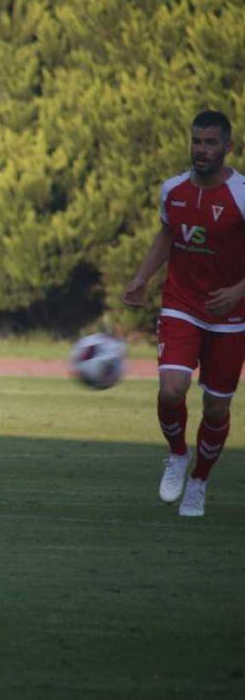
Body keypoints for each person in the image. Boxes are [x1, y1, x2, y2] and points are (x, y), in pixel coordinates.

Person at [123, 110, 245, 517]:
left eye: (211, 142)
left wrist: (238, 292)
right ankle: (177, 454)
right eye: (196, 141)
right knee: (171, 389)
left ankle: (199, 481)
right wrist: (141, 277)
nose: (202, 149)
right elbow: (167, 234)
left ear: (228, 147)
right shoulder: (172, 189)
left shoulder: (242, 194)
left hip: (232, 316)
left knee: (216, 408)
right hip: (181, 304)